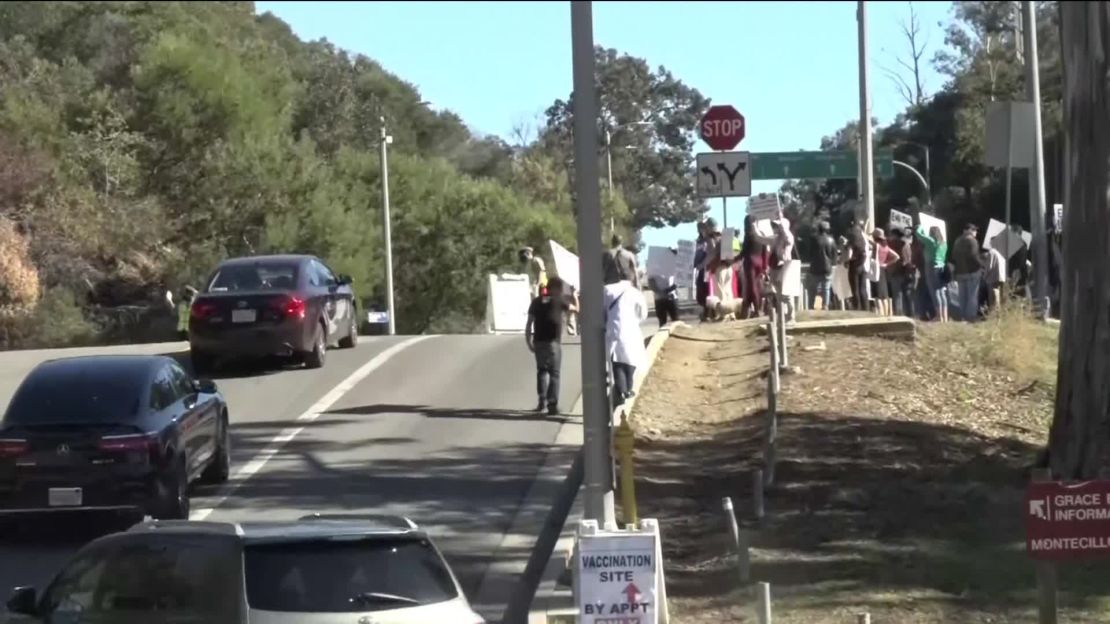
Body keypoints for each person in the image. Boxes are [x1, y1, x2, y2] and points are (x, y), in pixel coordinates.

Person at [525, 277, 576, 415]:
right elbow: (576, 309)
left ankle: (542, 401)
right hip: (553, 342)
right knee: (554, 373)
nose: (560, 292)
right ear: (556, 289)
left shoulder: (536, 301)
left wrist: (528, 341)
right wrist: (574, 295)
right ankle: (552, 404)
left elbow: (529, 322)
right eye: (560, 289)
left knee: (541, 371)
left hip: (538, 342)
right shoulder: (559, 301)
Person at [604, 273, 648, 408]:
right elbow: (643, 314)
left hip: (614, 331)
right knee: (630, 360)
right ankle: (627, 388)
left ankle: (622, 390)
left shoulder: (606, 290)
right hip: (632, 331)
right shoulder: (635, 293)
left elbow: (601, 311)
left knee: (617, 362)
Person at [915, 222, 949, 323]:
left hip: (931, 266)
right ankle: (945, 317)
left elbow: (918, 234)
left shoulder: (931, 241)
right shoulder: (944, 244)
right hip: (941, 267)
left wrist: (921, 226)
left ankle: (939, 316)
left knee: (934, 292)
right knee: (942, 292)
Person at [951, 222, 983, 322]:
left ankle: (962, 316)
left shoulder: (957, 241)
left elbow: (953, 256)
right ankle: (970, 317)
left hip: (960, 272)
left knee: (962, 296)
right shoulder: (972, 241)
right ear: (968, 230)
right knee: (972, 295)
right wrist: (982, 265)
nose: (976, 232)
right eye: (974, 230)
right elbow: (974, 256)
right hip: (972, 272)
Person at [739, 215, 768, 319]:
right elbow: (765, 251)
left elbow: (744, 252)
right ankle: (757, 308)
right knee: (758, 286)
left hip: (750, 262)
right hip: (760, 262)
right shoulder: (762, 234)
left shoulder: (749, 235)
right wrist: (765, 266)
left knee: (752, 287)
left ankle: (756, 310)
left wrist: (734, 259)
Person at [808, 221, 837, 311]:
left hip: (816, 267)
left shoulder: (814, 240)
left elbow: (810, 253)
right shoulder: (831, 240)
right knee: (826, 288)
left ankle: (815, 306)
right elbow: (834, 255)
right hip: (827, 267)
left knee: (815, 288)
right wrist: (832, 263)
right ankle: (825, 306)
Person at [648, 248, 680, 327]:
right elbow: (651, 283)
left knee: (676, 321)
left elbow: (679, 281)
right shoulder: (654, 268)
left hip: (672, 298)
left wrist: (671, 289)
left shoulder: (676, 267)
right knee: (662, 323)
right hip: (660, 299)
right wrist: (661, 292)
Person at [872, 228, 900, 317]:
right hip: (883, 270)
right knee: (885, 295)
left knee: (877, 295)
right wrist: (886, 263)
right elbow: (897, 257)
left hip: (876, 269)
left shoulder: (876, 245)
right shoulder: (886, 247)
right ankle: (888, 314)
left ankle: (881, 315)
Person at [888, 229, 915, 318]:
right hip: (907, 272)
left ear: (894, 235)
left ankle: (898, 314)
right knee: (907, 295)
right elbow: (909, 258)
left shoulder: (893, 244)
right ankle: (910, 314)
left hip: (896, 271)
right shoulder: (906, 244)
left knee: (897, 294)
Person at [846, 217, 869, 310]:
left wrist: (847, 261)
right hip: (863, 265)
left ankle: (857, 307)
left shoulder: (852, 238)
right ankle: (866, 307)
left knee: (855, 288)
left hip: (854, 265)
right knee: (862, 288)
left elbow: (849, 252)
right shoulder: (863, 239)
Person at [980, 245, 1006, 314]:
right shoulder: (999, 252)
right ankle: (999, 313)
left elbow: (989, 267)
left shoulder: (991, 253)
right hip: (1001, 277)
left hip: (994, 277)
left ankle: (993, 314)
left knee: (993, 297)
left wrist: (984, 277)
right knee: (1000, 296)